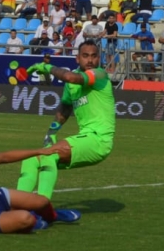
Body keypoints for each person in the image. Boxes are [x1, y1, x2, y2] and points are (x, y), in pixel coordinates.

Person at [18, 40, 118, 200]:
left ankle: (42, 207)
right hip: (86, 138)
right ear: (77, 59)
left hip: (99, 139)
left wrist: (48, 68)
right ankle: (19, 205)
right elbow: (65, 109)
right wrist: (50, 133)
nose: (90, 60)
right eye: (85, 56)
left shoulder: (99, 74)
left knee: (50, 155)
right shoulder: (71, 86)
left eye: (93, 56)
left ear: (99, 59)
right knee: (32, 160)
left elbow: (71, 77)